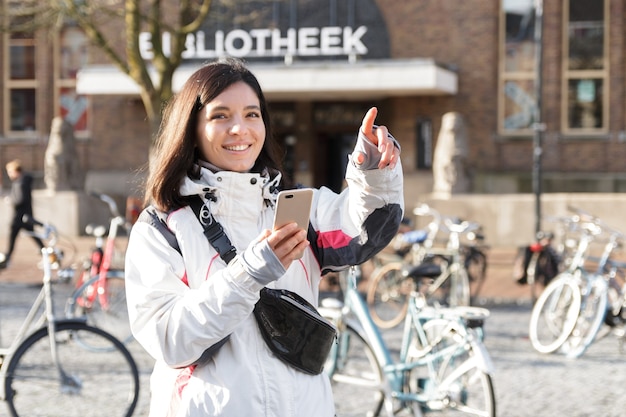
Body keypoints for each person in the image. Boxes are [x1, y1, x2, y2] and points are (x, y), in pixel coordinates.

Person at [124, 58, 404, 417]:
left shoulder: (301, 207)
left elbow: (366, 229)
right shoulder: (163, 227)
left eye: (252, 114)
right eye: (220, 115)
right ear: (192, 127)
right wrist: (249, 274)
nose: (240, 128)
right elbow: (170, 340)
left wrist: (373, 173)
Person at [0, 159, 45, 269]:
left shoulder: (21, 183)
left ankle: (8, 257)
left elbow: (20, 199)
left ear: (16, 171)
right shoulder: (21, 181)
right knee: (32, 236)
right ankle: (46, 252)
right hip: (25, 216)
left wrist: (10, 200)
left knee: (16, 236)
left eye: (10, 172)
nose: (9, 175)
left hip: (20, 216)